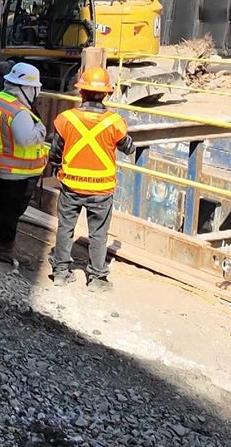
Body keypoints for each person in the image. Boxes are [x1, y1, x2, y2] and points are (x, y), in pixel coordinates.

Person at [48, 66, 134, 292]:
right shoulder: (114, 121)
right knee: (98, 234)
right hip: (101, 189)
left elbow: (55, 152)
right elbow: (129, 148)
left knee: (65, 227)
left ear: (81, 92)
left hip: (71, 184)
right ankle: (96, 279)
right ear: (106, 93)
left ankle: (60, 273)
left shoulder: (66, 119)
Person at [0, 62, 49, 266]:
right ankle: (5, 248)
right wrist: (41, 131)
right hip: (17, 172)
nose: (37, 93)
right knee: (12, 209)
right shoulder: (19, 112)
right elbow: (26, 139)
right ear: (26, 88)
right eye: (35, 88)